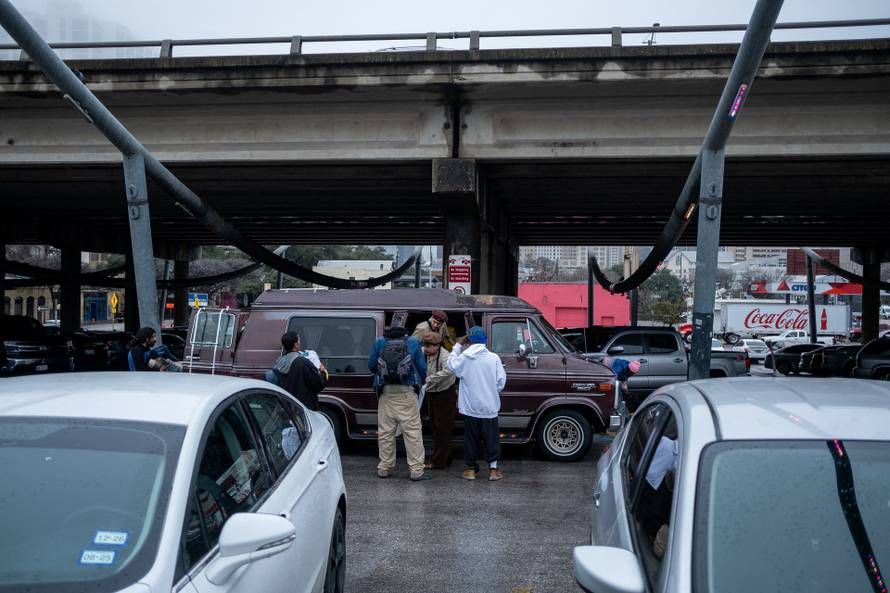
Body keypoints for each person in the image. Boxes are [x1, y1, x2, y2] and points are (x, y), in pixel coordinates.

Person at [369, 325, 429, 481]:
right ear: (405, 332)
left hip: (386, 392)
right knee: (412, 432)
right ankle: (416, 470)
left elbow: (371, 365)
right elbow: (422, 367)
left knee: (385, 432)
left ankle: (384, 468)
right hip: (406, 392)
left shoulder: (380, 341)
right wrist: (420, 380)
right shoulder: (413, 341)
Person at [447, 326, 507, 481]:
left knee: (471, 439)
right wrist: (491, 393)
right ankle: (493, 471)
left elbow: (451, 365)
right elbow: (501, 382)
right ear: (484, 341)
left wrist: (458, 345)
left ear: (469, 341)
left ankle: (470, 470)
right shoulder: (494, 358)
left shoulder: (465, 358)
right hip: (489, 407)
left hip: (470, 408)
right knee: (491, 439)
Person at [420, 331, 457, 470]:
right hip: (432, 393)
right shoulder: (427, 353)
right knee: (435, 427)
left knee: (443, 429)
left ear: (437, 345)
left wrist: (429, 379)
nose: (426, 349)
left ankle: (438, 462)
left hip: (445, 394)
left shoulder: (445, 356)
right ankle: (446, 457)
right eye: (424, 345)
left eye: (429, 346)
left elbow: (449, 371)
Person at [268, 331, 328, 411]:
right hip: (302, 408)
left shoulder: (279, 362)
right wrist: (323, 372)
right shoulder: (302, 362)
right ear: (295, 344)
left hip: (285, 408)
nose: (300, 342)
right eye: (299, 340)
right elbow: (318, 384)